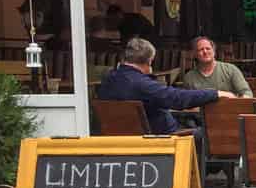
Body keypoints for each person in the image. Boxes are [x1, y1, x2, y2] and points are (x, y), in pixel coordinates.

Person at [98, 37, 230, 134]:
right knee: (209, 134)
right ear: (149, 61)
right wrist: (215, 93)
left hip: (123, 138)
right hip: (162, 139)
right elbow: (176, 98)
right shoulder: (142, 84)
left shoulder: (108, 80)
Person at [182, 36, 252, 97]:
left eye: (208, 48)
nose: (205, 52)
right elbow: (186, 101)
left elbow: (247, 93)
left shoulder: (230, 70)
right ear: (195, 54)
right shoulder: (189, 78)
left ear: (214, 51)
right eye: (201, 49)